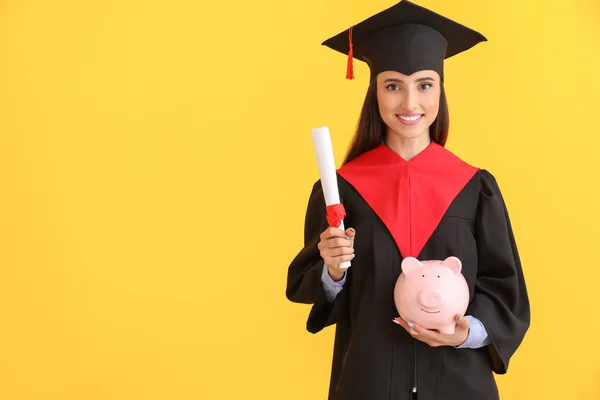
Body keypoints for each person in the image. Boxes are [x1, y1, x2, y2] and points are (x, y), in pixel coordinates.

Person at [285, 1, 531, 399]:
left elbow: (505, 287)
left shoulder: (474, 186)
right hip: (370, 381)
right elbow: (312, 291)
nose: (410, 104)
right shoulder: (342, 188)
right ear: (375, 91)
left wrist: (467, 333)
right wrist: (332, 271)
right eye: (394, 85)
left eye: (424, 85)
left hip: (459, 383)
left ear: (440, 89)